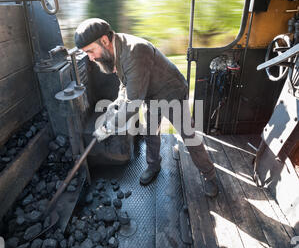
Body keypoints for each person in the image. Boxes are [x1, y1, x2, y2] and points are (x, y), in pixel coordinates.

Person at [75, 18, 218, 197]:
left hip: (171, 91)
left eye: (90, 51)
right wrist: (116, 104)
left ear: (104, 41)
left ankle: (209, 175)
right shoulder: (116, 49)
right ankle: (153, 166)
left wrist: (107, 128)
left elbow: (133, 103)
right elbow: (125, 84)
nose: (90, 57)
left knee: (188, 136)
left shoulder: (135, 50)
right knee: (150, 132)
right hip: (149, 94)